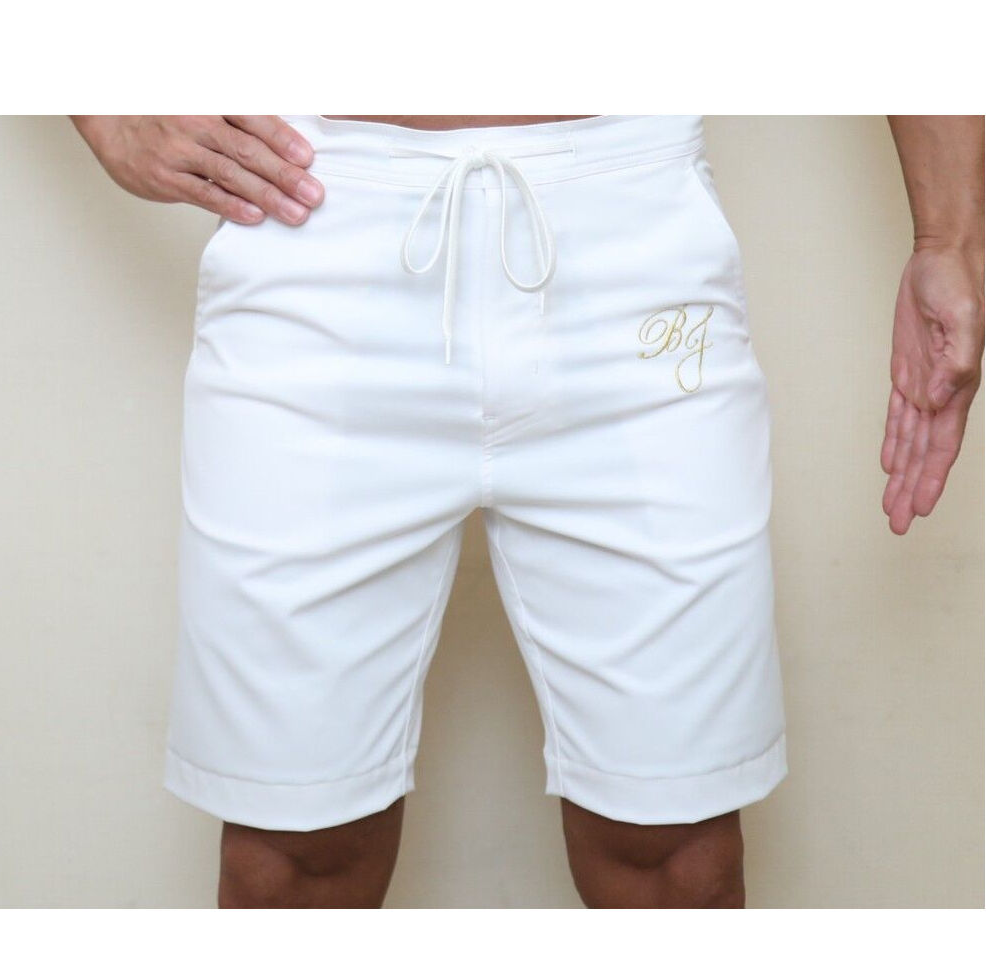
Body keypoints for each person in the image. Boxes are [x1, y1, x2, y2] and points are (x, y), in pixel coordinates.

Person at [70, 114, 985, 908]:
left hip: (632, 245)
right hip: (313, 226)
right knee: (289, 856)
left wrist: (949, 237)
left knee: (677, 857)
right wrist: (105, 110)